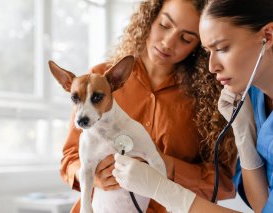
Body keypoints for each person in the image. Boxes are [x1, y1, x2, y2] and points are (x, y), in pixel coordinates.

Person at [60, 0, 237, 212]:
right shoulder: (98, 81)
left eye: (186, 38)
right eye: (164, 25)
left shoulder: (210, 100)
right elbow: (70, 157)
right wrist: (91, 175)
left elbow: (225, 183)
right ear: (149, 19)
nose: (168, 43)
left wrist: (164, 167)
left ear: (200, 46)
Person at [113, 0, 273, 212]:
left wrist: (163, 190)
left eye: (222, 48)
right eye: (208, 52)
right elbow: (263, 205)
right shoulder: (250, 94)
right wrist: (244, 136)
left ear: (268, 36)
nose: (212, 67)